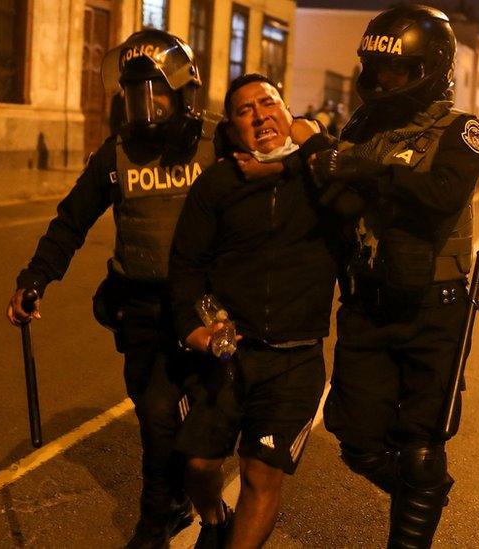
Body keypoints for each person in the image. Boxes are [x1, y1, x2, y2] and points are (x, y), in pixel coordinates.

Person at [6, 30, 224, 548]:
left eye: (157, 93)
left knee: (210, 426)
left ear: (184, 93)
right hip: (143, 308)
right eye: (134, 94)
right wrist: (34, 279)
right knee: (154, 421)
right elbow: (71, 222)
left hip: (207, 308)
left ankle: (213, 513)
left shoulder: (220, 142)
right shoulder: (116, 156)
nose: (145, 107)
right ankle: (158, 518)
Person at [308, 6, 479, 547]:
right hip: (368, 299)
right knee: (356, 439)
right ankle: (425, 491)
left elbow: (439, 196)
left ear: (431, 68)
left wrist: (363, 169)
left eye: (400, 71)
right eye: (380, 69)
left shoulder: (461, 130)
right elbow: (335, 200)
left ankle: (415, 514)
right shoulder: (361, 126)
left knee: (421, 441)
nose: (386, 80)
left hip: (436, 305)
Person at [167, 73, 337, 549]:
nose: (261, 115)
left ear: (290, 115)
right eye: (245, 110)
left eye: (270, 104)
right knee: (199, 466)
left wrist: (308, 150)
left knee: (261, 476)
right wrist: (192, 326)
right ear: (233, 128)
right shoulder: (218, 183)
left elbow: (359, 178)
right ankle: (215, 518)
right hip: (229, 357)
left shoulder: (323, 177)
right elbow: (186, 266)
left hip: (296, 359)